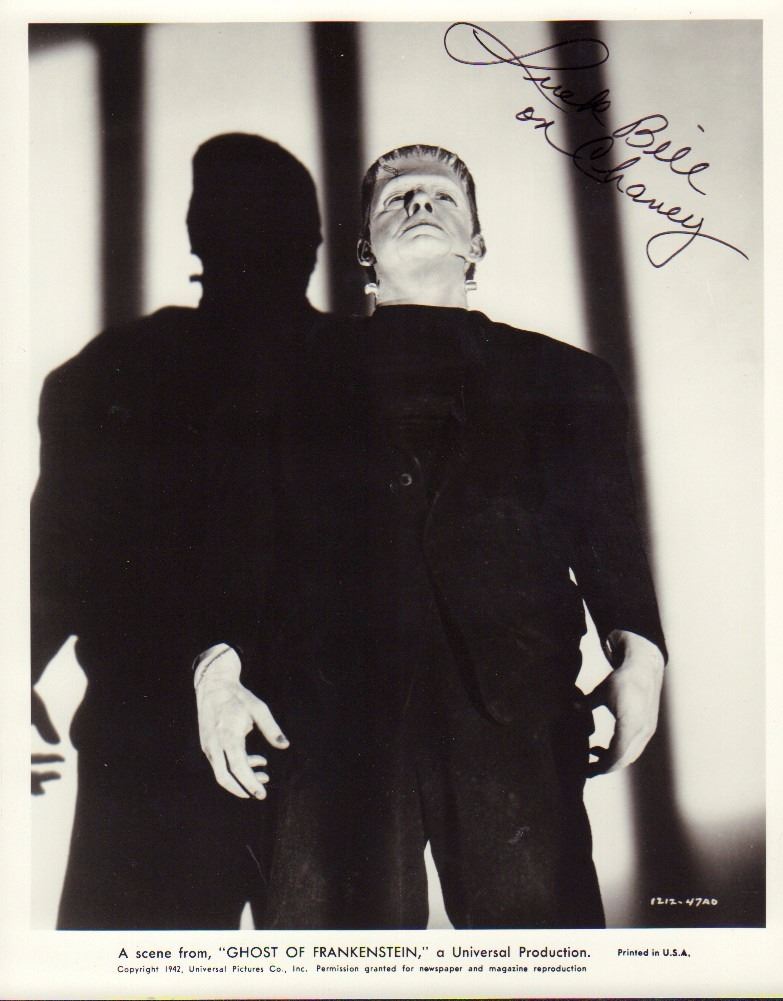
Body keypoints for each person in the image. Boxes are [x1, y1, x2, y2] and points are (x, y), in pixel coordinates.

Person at [194, 144, 667, 929]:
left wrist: (640, 655)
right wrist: (215, 670)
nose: (419, 205)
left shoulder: (566, 378)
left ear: (476, 243)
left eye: (441, 197)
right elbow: (241, 537)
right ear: (362, 251)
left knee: (543, 962)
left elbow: (608, 535)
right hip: (328, 717)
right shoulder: (281, 376)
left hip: (513, 711)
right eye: (397, 199)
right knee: (329, 968)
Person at [31, 133, 323, 929]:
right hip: (149, 751)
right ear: (195, 233)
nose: (248, 237)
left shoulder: (362, 370)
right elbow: (56, 556)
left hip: (326, 755)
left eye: (269, 215)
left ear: (313, 238)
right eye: (225, 213)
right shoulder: (106, 377)